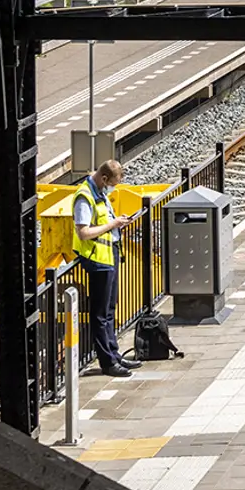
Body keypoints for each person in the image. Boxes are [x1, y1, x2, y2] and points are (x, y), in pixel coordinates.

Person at [72, 160, 140, 378]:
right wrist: (113, 225)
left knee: (110, 309)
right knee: (100, 314)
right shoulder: (85, 197)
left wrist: (118, 223)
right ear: (103, 179)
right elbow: (84, 232)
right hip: (97, 260)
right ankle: (108, 362)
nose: (113, 187)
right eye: (113, 183)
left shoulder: (98, 192)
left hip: (108, 256)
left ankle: (114, 354)